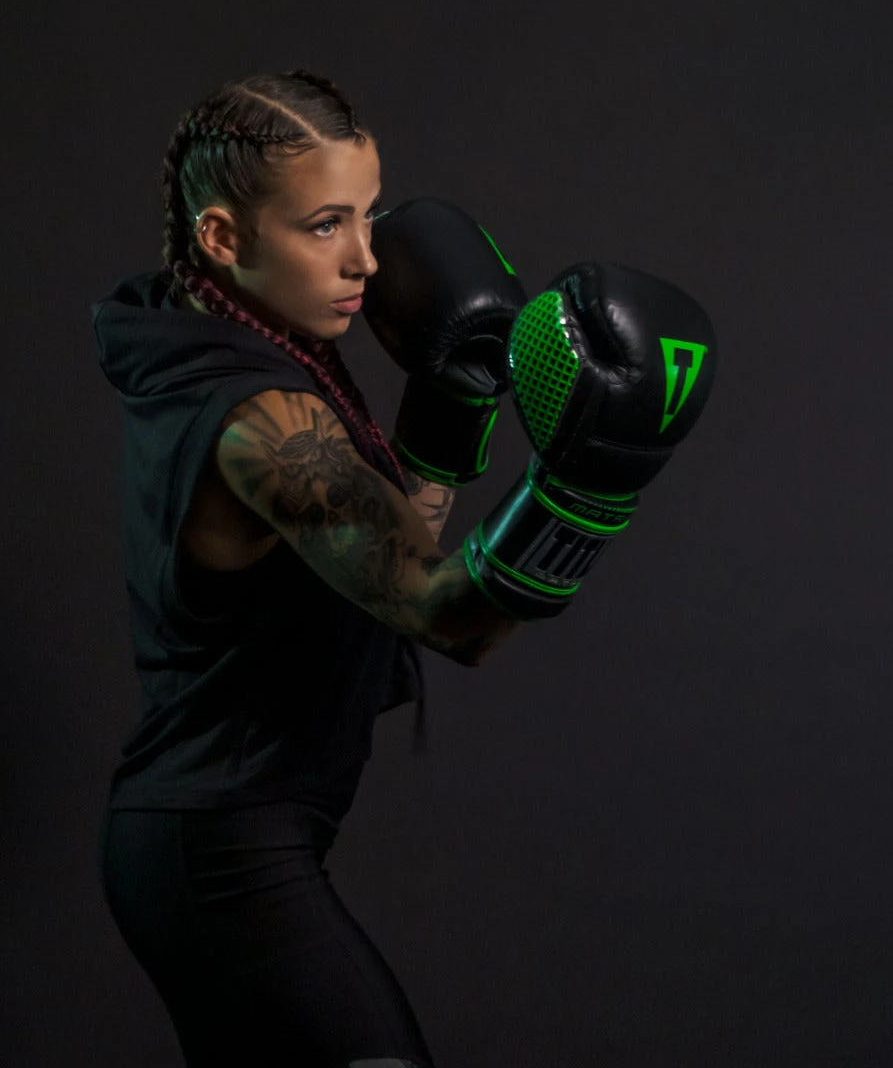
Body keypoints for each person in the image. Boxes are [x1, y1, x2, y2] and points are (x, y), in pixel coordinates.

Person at [91, 70, 716, 1067]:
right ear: (221, 236)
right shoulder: (261, 423)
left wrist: (451, 405)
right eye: (324, 225)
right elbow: (445, 615)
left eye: (367, 215)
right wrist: (591, 483)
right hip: (219, 855)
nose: (366, 259)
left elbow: (389, 567)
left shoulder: (234, 351)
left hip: (217, 835)